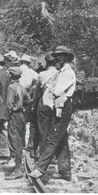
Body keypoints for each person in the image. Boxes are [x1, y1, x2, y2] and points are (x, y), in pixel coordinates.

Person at [28, 45, 76, 182]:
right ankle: (65, 171)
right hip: (59, 106)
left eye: (61, 56)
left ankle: (40, 168)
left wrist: (49, 87)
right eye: (57, 56)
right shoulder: (60, 72)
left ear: (67, 57)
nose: (58, 58)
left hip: (63, 106)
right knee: (62, 140)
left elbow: (56, 91)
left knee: (53, 137)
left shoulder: (67, 72)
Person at [5, 67, 31, 180]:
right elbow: (28, 100)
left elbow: (8, 104)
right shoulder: (22, 87)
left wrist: (8, 116)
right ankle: (19, 166)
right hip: (21, 115)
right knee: (19, 140)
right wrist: (22, 107)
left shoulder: (11, 87)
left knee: (13, 141)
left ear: (11, 76)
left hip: (14, 116)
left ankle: (17, 169)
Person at [36, 54, 58, 153]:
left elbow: (38, 89)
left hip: (44, 101)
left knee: (42, 128)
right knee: (53, 128)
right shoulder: (59, 73)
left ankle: (42, 152)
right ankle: (52, 153)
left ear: (47, 62)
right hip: (56, 102)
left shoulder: (41, 74)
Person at [18, 54, 39, 157]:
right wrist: (31, 91)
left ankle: (20, 143)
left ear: (21, 62)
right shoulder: (33, 73)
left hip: (16, 95)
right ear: (29, 63)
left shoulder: (14, 70)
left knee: (17, 120)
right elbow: (36, 83)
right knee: (25, 119)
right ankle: (27, 144)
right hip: (27, 96)